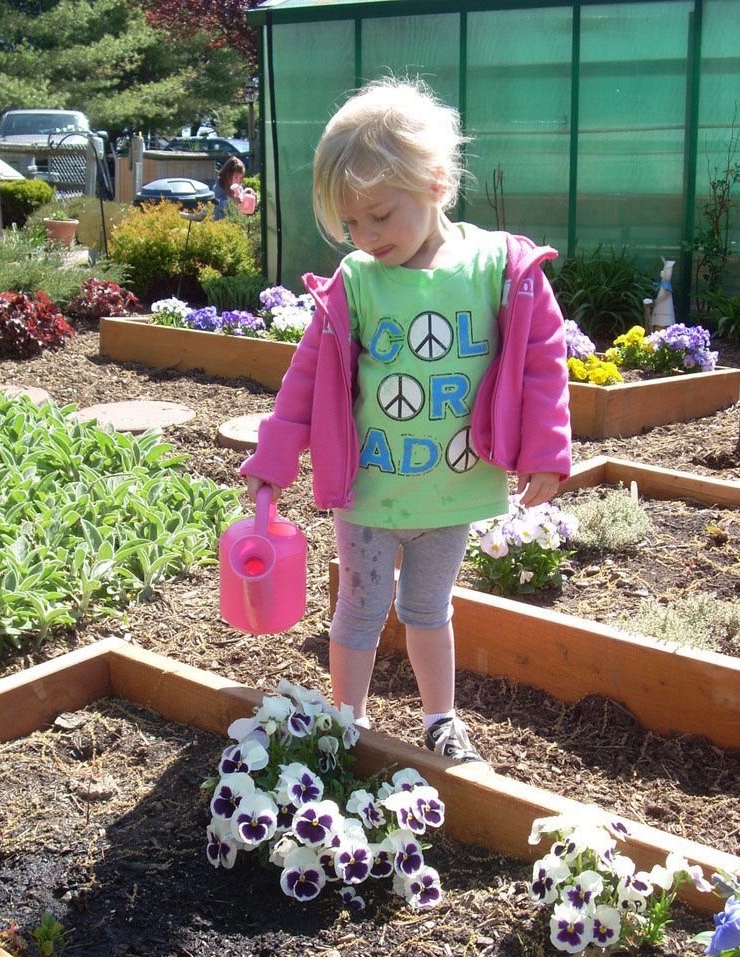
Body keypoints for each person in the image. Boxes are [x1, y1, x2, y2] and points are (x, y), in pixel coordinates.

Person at [241, 78, 571, 764]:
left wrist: (546, 450)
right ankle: (344, 721)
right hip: (369, 491)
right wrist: (274, 459)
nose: (364, 236)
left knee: (429, 609)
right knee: (358, 608)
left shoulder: (499, 268)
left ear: (437, 182)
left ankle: (441, 719)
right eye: (351, 225)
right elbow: (305, 379)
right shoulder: (358, 282)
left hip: (451, 491)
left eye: (379, 216)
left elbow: (543, 361)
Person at [212, 155, 249, 220]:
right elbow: (216, 202)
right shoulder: (219, 186)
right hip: (220, 222)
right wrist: (233, 201)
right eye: (235, 177)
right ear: (227, 175)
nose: (238, 180)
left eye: (240, 177)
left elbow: (242, 207)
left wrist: (248, 200)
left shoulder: (239, 188)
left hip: (235, 221)